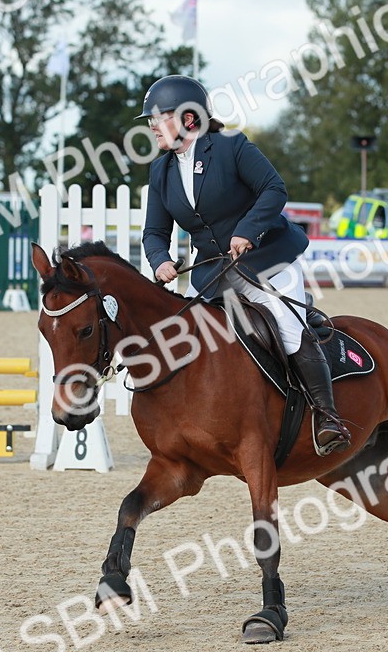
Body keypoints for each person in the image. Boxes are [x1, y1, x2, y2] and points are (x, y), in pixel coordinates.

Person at [138, 75, 351, 456]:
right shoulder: (161, 170)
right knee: (182, 335)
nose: (151, 125)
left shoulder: (231, 147)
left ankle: (327, 417)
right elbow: (154, 231)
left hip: (266, 259)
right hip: (211, 274)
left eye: (158, 117)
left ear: (188, 119)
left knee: (287, 328)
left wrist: (247, 231)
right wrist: (161, 261)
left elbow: (274, 188)